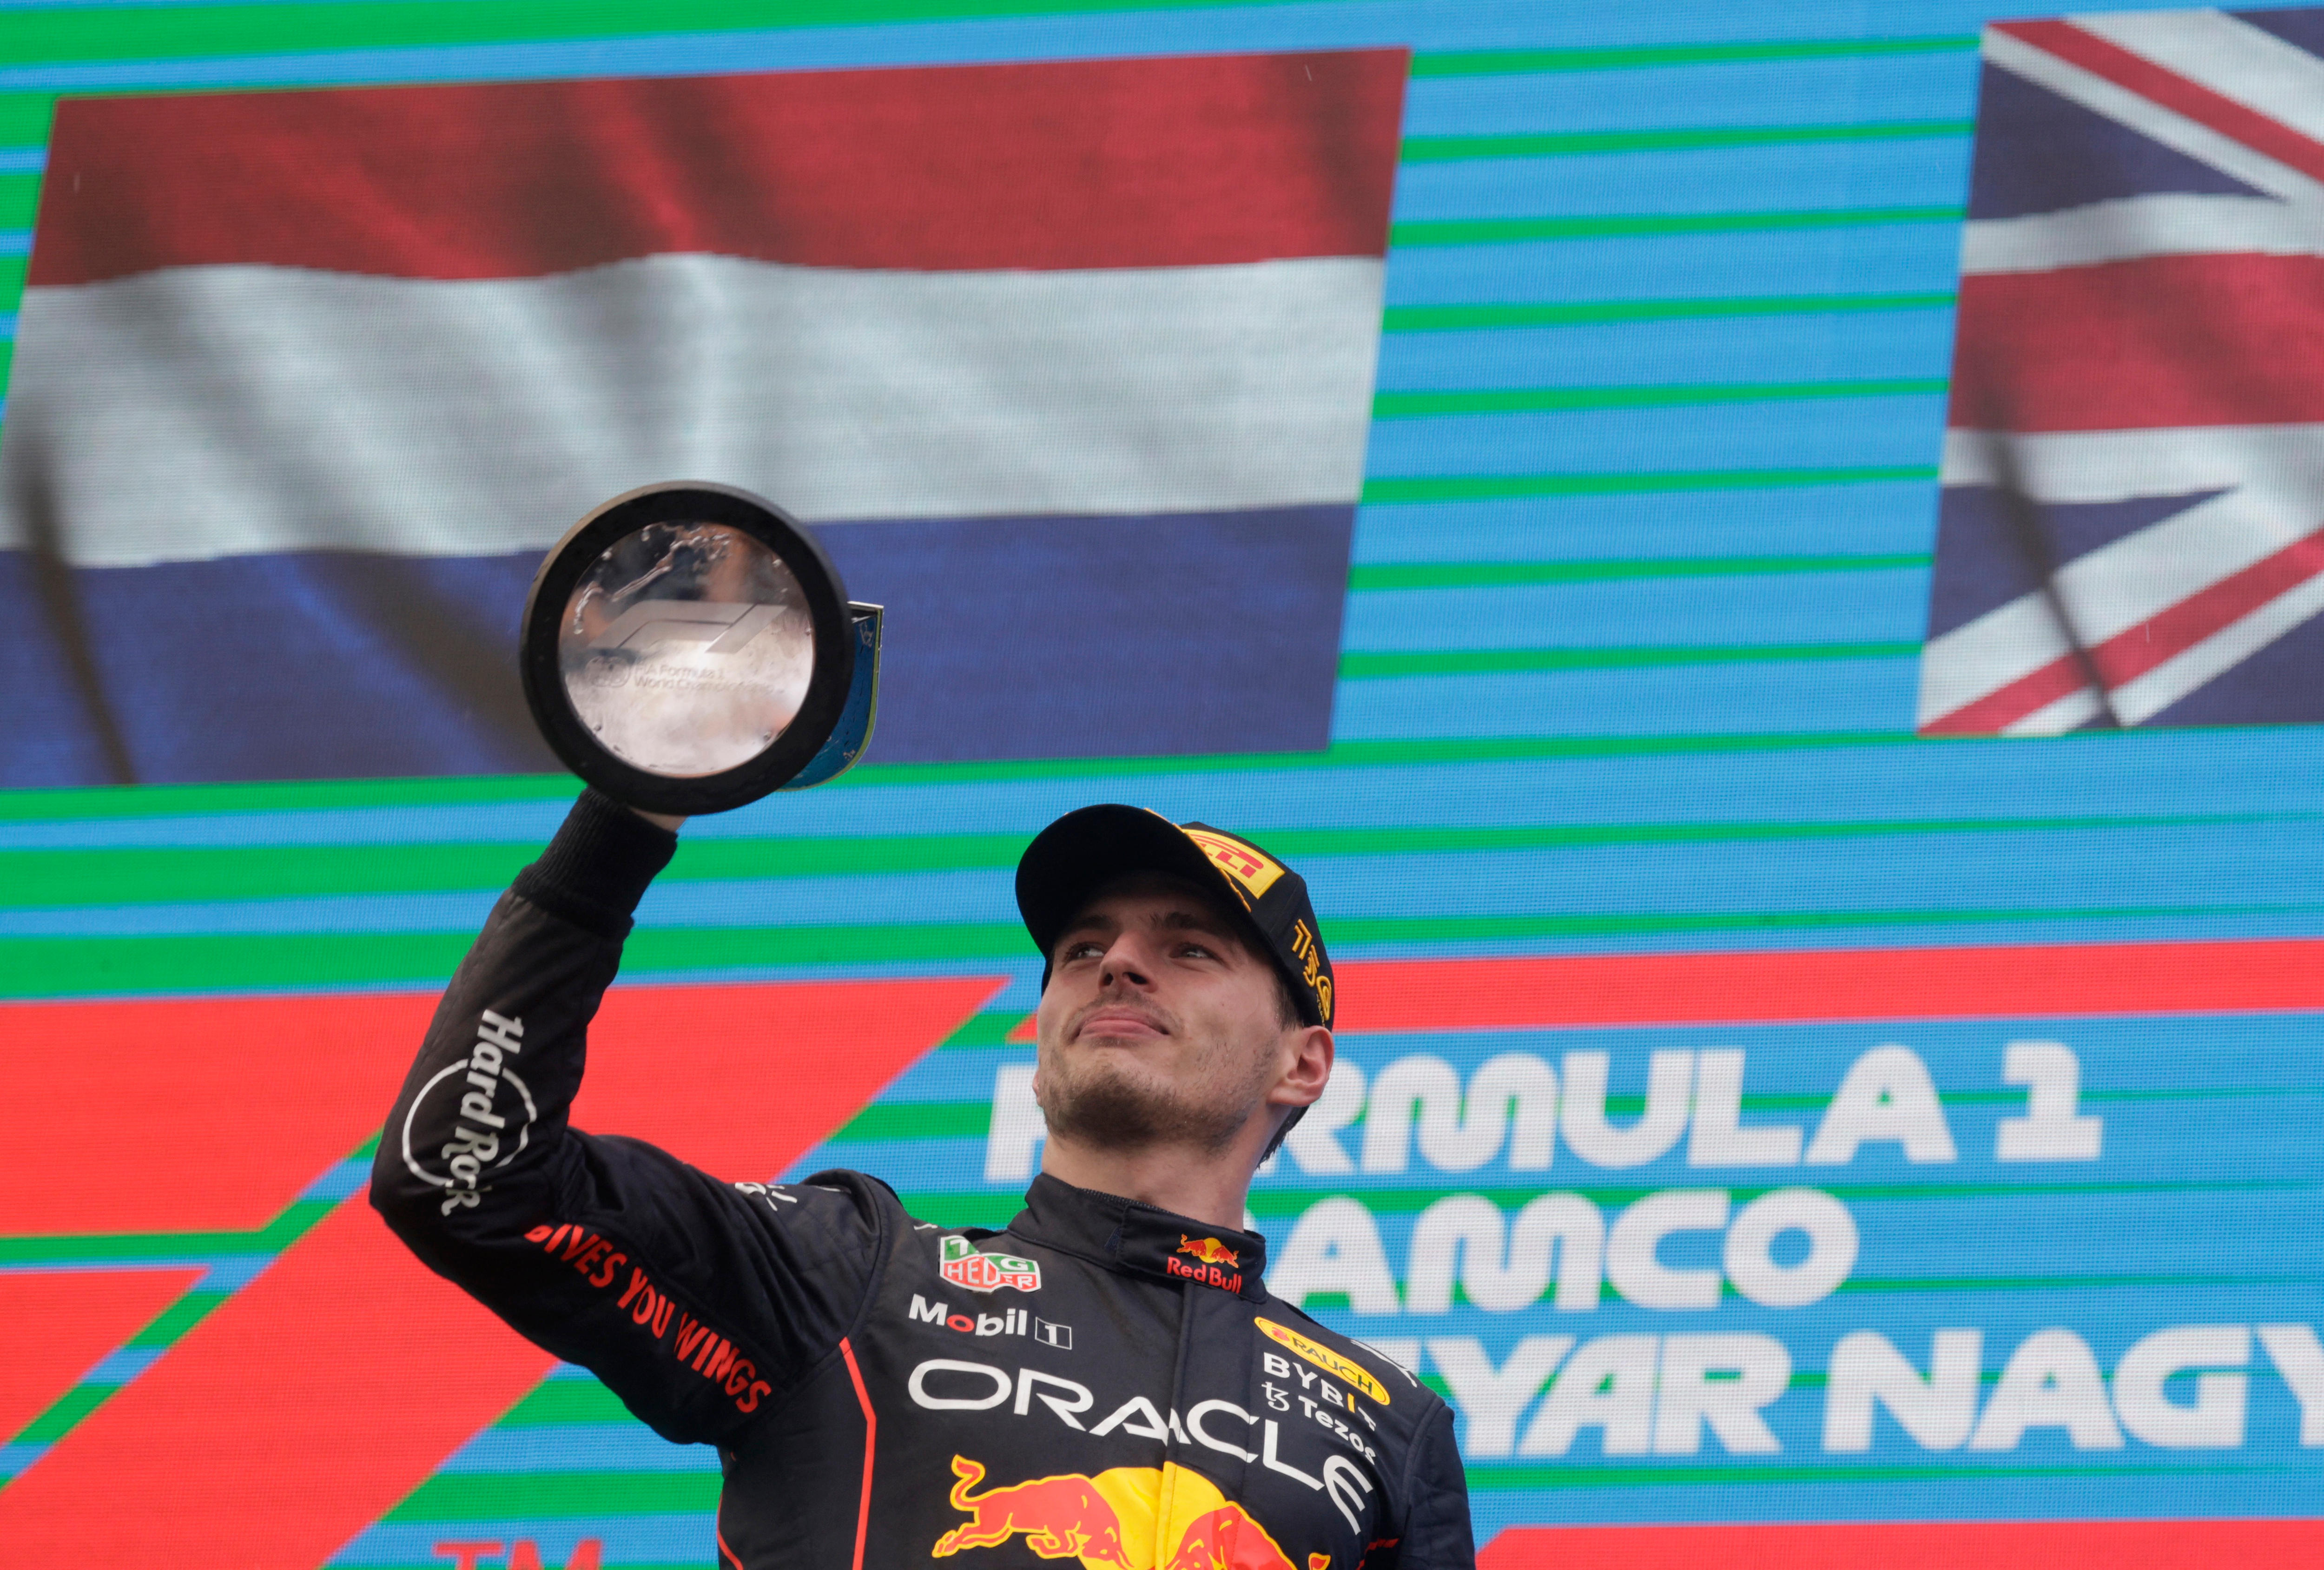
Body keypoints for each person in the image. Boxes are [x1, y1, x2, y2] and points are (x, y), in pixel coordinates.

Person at [372, 789, 1475, 1570]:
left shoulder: (1389, 1426)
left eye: (1190, 948)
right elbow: (469, 1181)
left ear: (1304, 1062)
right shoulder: (857, 1267)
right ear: (1037, 1030)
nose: (1118, 961)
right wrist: (624, 815)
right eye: (1081, 948)